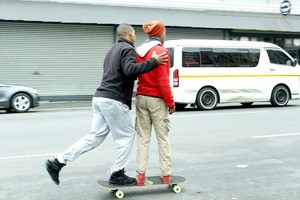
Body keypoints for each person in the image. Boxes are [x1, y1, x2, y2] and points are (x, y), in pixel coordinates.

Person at [44, 23, 168, 186]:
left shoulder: (111, 50)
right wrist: (153, 61)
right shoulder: (128, 49)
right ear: (130, 34)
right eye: (134, 33)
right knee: (127, 136)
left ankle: (58, 161)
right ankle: (117, 174)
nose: (135, 36)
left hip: (100, 97)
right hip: (113, 99)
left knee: (94, 137)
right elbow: (130, 70)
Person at [135, 21, 175, 186]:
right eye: (164, 32)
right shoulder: (161, 51)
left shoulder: (139, 51)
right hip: (156, 99)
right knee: (162, 137)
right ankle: (166, 175)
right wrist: (171, 103)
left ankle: (140, 176)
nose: (165, 35)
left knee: (143, 138)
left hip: (141, 97)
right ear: (160, 34)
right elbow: (163, 81)